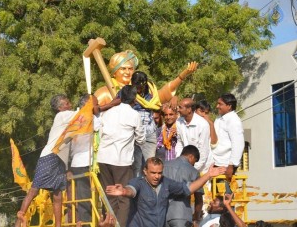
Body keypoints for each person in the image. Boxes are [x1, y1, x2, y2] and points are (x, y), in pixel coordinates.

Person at [105, 157, 226, 227]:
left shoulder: (166, 183)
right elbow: (131, 190)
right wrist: (124, 191)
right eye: (153, 173)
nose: (157, 176)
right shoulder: (138, 182)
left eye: (159, 173)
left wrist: (208, 175)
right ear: (145, 171)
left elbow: (189, 188)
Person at [15, 94, 75, 227]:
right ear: (60, 108)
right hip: (49, 156)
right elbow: (81, 114)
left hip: (60, 160)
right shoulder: (62, 116)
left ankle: (58, 225)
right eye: (66, 103)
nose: (69, 105)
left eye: (69, 102)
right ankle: (18, 221)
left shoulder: (68, 118)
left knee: (58, 194)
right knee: (34, 190)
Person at [97, 85, 146, 227]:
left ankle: (110, 223)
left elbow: (100, 134)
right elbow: (141, 139)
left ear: (119, 97)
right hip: (121, 161)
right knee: (123, 197)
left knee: (110, 196)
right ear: (134, 99)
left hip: (103, 158)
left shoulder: (108, 113)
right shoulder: (134, 115)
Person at [94, 50, 198, 106]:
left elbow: (162, 95)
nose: (127, 72)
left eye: (130, 69)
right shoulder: (104, 93)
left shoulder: (142, 90)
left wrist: (182, 75)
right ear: (114, 73)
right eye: (123, 69)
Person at [67, 94, 100, 224]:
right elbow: (99, 126)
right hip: (85, 162)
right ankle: (88, 223)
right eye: (96, 104)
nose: (98, 107)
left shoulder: (73, 118)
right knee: (86, 197)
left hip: (78, 162)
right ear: (88, 105)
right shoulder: (89, 118)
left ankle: (89, 222)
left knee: (84, 196)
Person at [163, 145, 203, 227]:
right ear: (191, 157)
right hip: (182, 215)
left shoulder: (164, 165)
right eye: (194, 162)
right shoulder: (194, 172)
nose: (193, 165)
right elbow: (198, 199)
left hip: (162, 213)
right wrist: (196, 217)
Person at [213, 93, 244, 181]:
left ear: (229, 106)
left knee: (224, 193)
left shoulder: (234, 120)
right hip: (216, 162)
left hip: (226, 165)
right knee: (214, 193)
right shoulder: (219, 118)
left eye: (220, 104)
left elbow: (238, 144)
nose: (217, 106)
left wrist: (231, 165)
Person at [177, 98, 211, 173]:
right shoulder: (179, 121)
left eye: (180, 107)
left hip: (201, 167)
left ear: (189, 109)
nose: (178, 110)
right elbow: (180, 143)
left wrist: (193, 169)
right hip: (184, 166)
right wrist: (179, 162)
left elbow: (203, 150)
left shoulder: (203, 124)